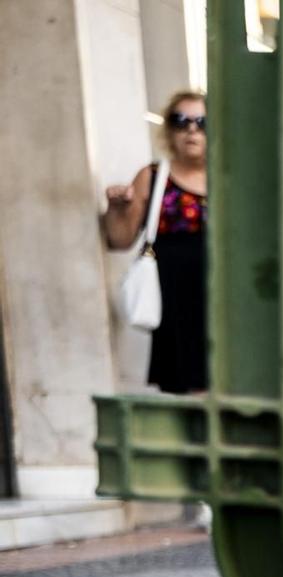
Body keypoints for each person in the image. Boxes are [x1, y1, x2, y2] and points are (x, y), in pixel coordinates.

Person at [102, 91, 209, 395]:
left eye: (202, 122)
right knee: (186, 393)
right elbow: (120, 239)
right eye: (181, 121)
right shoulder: (152, 177)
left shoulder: (231, 177)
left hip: (225, 299)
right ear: (169, 130)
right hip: (176, 303)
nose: (192, 130)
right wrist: (118, 208)